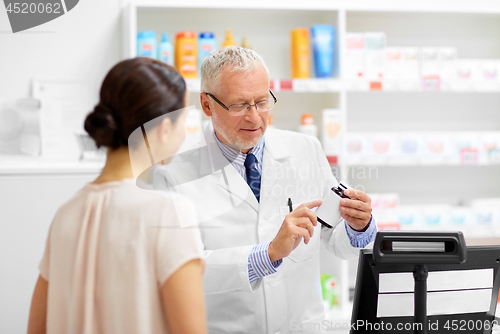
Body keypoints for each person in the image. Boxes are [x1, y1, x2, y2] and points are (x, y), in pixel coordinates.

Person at [154, 46, 377, 333]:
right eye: (238, 105)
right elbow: (177, 274)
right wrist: (268, 254)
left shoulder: (305, 150)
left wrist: (359, 227)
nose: (255, 117)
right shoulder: (172, 173)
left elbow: (336, 241)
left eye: (262, 102)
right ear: (207, 105)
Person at [27, 58, 207, 334]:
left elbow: (36, 329)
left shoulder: (66, 214)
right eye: (184, 119)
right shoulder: (168, 213)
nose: (185, 133)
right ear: (164, 128)